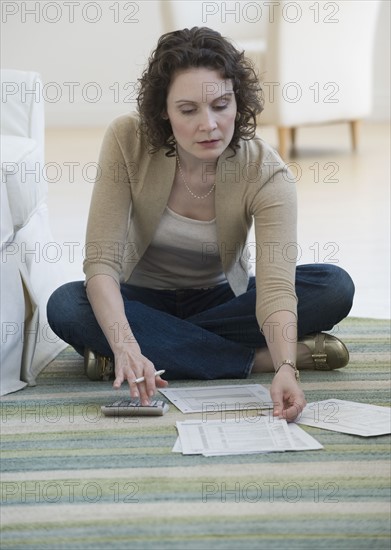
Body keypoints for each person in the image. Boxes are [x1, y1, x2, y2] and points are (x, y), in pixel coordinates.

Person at [47, 26, 355, 421]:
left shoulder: (266, 173)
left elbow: (276, 288)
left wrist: (286, 370)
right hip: (140, 297)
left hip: (221, 298)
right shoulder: (128, 139)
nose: (208, 125)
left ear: (237, 102)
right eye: (188, 110)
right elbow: (101, 262)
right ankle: (249, 360)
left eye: (221, 105)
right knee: (67, 306)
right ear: (164, 110)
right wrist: (125, 344)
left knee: (333, 285)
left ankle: (159, 347)